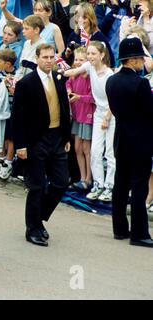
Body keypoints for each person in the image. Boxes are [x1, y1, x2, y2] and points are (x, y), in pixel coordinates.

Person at [12, 44, 71, 247]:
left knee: (62, 182)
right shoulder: (26, 83)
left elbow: (64, 108)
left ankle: (39, 218)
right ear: (37, 58)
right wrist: (20, 145)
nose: (48, 60)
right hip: (35, 140)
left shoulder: (58, 78)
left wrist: (66, 138)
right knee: (36, 186)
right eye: (44, 57)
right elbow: (17, 117)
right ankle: (32, 229)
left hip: (56, 138)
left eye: (51, 57)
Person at [105, 37, 153, 247]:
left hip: (121, 138)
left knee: (120, 185)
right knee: (139, 187)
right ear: (132, 61)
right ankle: (139, 233)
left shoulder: (112, 80)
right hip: (140, 141)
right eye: (140, 58)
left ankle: (120, 228)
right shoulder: (140, 83)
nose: (143, 62)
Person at [64, 41, 115, 202]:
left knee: (110, 153)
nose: (91, 57)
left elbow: (113, 100)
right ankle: (98, 184)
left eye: (94, 54)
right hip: (98, 113)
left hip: (110, 115)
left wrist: (107, 118)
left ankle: (109, 187)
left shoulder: (109, 75)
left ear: (102, 55)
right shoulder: (89, 66)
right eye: (89, 53)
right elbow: (73, 72)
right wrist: (56, 70)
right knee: (95, 151)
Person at [66, 46, 95, 191]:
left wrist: (79, 97)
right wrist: (70, 91)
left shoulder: (90, 77)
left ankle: (89, 179)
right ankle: (82, 177)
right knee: (77, 148)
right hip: (77, 115)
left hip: (87, 116)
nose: (78, 62)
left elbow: (93, 98)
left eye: (81, 60)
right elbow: (68, 84)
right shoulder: (73, 75)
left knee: (86, 148)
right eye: (76, 59)